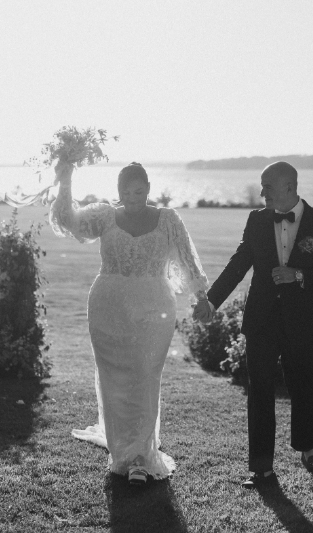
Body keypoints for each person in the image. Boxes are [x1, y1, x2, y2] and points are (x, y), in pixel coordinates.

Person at [50, 162, 209, 486]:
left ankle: (141, 454)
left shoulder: (168, 219)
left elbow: (187, 258)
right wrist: (65, 179)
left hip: (154, 309)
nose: (132, 198)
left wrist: (201, 296)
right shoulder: (106, 216)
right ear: (118, 192)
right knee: (115, 380)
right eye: (126, 192)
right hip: (109, 306)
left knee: (145, 376)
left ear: (148, 188)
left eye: (138, 191)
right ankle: (125, 455)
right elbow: (69, 221)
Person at [194, 161, 313, 488]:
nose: (262, 192)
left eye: (267, 186)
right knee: (259, 392)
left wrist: (300, 275)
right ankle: (262, 470)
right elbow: (239, 263)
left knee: (302, 387)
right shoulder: (257, 220)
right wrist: (211, 301)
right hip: (261, 321)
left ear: (289, 186)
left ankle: (307, 449)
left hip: (302, 322)